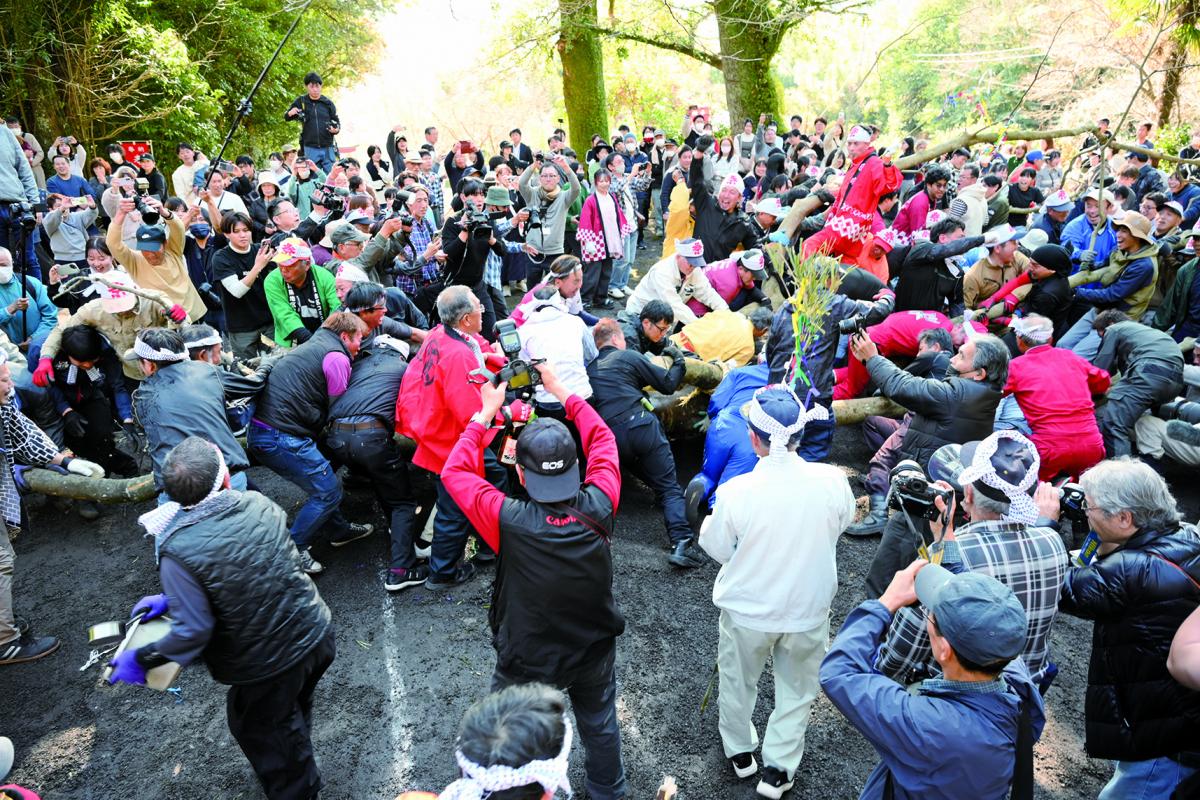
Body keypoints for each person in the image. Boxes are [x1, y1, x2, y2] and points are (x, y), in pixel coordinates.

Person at [107, 437, 336, 799]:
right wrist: (174, 598)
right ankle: (295, 751)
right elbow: (254, 565)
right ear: (226, 479)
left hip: (269, 665)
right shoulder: (259, 503)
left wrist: (143, 656)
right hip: (316, 634)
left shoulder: (176, 549)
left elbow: (193, 632)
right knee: (289, 708)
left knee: (257, 726)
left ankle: (299, 787)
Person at [440, 363, 626, 800]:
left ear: (521, 475)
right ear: (576, 468)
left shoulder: (507, 519)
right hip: (591, 642)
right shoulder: (601, 501)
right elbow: (603, 438)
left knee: (506, 731)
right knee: (599, 723)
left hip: (526, 653)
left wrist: (484, 414)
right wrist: (560, 389)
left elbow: (455, 473)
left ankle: (509, 792)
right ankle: (610, 793)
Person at [698, 385, 852, 799]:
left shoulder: (736, 493)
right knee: (798, 691)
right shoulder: (833, 481)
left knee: (737, 680)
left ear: (753, 437)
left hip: (747, 610)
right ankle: (779, 770)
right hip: (808, 608)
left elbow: (716, 548)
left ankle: (740, 751)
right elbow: (841, 524)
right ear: (800, 436)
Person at [821, 560, 1044, 800]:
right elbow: (984, 615)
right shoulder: (1016, 681)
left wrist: (885, 604)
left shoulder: (928, 726)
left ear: (944, 649)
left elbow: (839, 672)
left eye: (931, 616)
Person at [874, 431, 1069, 693]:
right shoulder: (1053, 541)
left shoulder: (947, 557)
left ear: (968, 493)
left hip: (956, 697)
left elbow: (900, 656)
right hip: (1024, 694)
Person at [1057, 457, 1200, 799]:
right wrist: (1095, 534)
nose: (1085, 513)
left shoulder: (1131, 569)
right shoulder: (1187, 536)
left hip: (1161, 742)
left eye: (1090, 507)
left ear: (1124, 518)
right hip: (1179, 719)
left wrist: (1047, 526)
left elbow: (1063, 587)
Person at [396, 286, 508, 590]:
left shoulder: (440, 335)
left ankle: (486, 547)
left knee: (492, 478)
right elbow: (468, 411)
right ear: (467, 318)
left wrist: (486, 361)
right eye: (479, 308)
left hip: (433, 427)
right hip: (450, 439)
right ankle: (443, 572)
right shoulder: (459, 355)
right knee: (454, 505)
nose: (483, 310)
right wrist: (501, 412)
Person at [0, 347, 105, 666]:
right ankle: (5, 641)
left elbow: (21, 430)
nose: (10, 385)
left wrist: (66, 462)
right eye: (4, 380)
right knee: (0, 559)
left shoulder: (4, 405)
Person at [247, 311, 374, 574]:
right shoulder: (337, 357)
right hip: (282, 437)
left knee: (321, 484)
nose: (359, 346)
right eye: (358, 339)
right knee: (328, 491)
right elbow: (339, 407)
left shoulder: (314, 345)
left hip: (266, 432)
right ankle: (294, 550)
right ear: (343, 336)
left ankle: (338, 530)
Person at [587, 319, 699, 568]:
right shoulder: (627, 357)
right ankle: (681, 542)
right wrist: (678, 360)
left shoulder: (590, 369)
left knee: (635, 462)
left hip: (611, 437)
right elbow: (668, 384)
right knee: (670, 486)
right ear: (616, 339)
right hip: (640, 424)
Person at [324, 332, 425, 592]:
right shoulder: (405, 368)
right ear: (401, 354)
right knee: (403, 501)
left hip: (334, 435)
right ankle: (401, 570)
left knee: (383, 479)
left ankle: (396, 531)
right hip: (372, 436)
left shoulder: (357, 365)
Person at [130, 327, 249, 496]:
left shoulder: (141, 396)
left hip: (177, 490)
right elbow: (253, 385)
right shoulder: (207, 371)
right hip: (227, 474)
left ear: (150, 365)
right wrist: (266, 366)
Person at [1002, 315, 1109, 479]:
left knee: (1036, 495)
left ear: (1020, 341)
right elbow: (1102, 381)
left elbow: (994, 394)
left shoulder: (1016, 367)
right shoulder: (1071, 357)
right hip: (1090, 444)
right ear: (1051, 338)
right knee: (1086, 496)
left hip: (1049, 448)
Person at [1060, 210, 1159, 360]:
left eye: (1124, 231)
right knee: (1063, 345)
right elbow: (1107, 266)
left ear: (1137, 237)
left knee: (1077, 357)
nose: (1118, 234)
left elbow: (1113, 295)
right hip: (1101, 309)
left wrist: (1078, 293)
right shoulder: (1121, 251)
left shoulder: (1144, 266)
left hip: (1118, 318)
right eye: (1118, 229)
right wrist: (1091, 265)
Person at [1091, 310, 1185, 457]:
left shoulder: (1114, 329)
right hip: (1175, 382)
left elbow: (1100, 369)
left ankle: (1121, 475)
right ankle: (1148, 462)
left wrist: (1089, 396)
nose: (1102, 339)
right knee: (1138, 421)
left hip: (1148, 375)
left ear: (1110, 324)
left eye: (1101, 335)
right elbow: (1120, 369)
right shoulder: (1146, 333)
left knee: (1114, 425)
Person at [802, 125, 901, 262]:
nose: (851, 147)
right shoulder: (856, 163)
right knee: (841, 265)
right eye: (849, 143)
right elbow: (844, 194)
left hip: (849, 224)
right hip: (847, 224)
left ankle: (807, 282)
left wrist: (888, 164)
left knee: (809, 246)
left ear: (867, 144)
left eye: (856, 143)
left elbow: (888, 186)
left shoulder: (874, 163)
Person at [106, 196, 207, 322]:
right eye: (145, 249)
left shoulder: (173, 251)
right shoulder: (134, 261)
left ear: (164, 244)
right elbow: (113, 244)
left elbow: (178, 228)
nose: (150, 254)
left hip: (193, 315)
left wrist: (163, 211)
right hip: (163, 321)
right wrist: (121, 213)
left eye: (154, 249)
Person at [891, 217, 985, 314]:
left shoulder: (956, 272)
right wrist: (983, 239)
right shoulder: (922, 249)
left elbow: (957, 304)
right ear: (942, 238)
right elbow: (943, 250)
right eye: (960, 238)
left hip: (929, 325)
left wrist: (963, 321)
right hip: (900, 319)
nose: (964, 243)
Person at [625, 238, 727, 327]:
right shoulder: (662, 272)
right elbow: (673, 304)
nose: (693, 267)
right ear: (678, 256)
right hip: (639, 313)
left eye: (696, 263)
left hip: (660, 319)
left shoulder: (694, 270)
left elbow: (707, 292)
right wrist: (697, 325)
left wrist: (725, 311)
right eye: (690, 263)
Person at [262, 237, 339, 349]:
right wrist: (310, 341)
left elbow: (337, 306)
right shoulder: (272, 280)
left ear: (307, 264)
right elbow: (284, 314)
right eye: (280, 264)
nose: (283, 270)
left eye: (290, 265)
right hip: (290, 343)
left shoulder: (324, 276)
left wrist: (325, 336)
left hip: (326, 336)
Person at [518, 153, 582, 286]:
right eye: (545, 176)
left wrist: (565, 167)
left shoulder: (564, 197)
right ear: (539, 178)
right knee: (532, 289)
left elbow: (576, 188)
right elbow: (522, 184)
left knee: (554, 290)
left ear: (558, 178)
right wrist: (533, 166)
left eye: (552, 176)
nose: (548, 179)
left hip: (555, 252)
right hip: (533, 251)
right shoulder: (532, 194)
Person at [688, 152, 758, 261]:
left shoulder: (743, 222)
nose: (726, 195)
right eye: (724, 190)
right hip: (694, 266)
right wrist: (697, 158)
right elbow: (697, 181)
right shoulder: (707, 203)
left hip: (717, 272)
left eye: (732, 192)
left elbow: (754, 246)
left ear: (739, 197)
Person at [961, 224, 1032, 310]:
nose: (1017, 247)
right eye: (1013, 242)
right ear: (997, 248)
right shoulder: (973, 276)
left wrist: (1015, 296)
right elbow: (965, 311)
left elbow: (1034, 275)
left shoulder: (1016, 257)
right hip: (989, 320)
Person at [0, 247, 57, 349]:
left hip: (39, 348)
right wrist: (9, 310)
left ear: (12, 263)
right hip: (8, 356)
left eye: (3, 265)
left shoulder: (31, 283)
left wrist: (34, 339)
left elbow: (50, 317)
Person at [285, 72, 340, 172]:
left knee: (332, 177)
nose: (315, 89)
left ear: (321, 86)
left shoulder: (327, 103)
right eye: (312, 86)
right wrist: (290, 113)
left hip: (327, 147)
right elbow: (286, 117)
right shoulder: (301, 101)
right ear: (306, 87)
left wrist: (336, 130)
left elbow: (336, 121)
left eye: (317, 86)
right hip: (310, 147)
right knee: (313, 178)